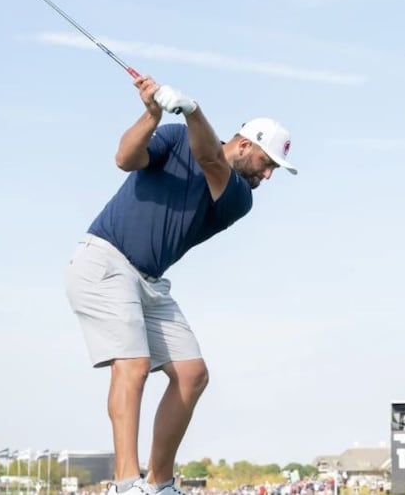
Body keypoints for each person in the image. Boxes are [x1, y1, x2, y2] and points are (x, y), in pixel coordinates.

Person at [63, 75, 297, 495]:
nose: (268, 175)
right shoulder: (173, 138)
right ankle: (125, 484)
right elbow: (125, 158)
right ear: (245, 145)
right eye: (267, 163)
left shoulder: (239, 196)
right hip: (104, 261)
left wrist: (192, 110)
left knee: (192, 374)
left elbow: (210, 159)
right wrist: (152, 115)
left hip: (150, 283)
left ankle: (159, 483)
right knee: (133, 365)